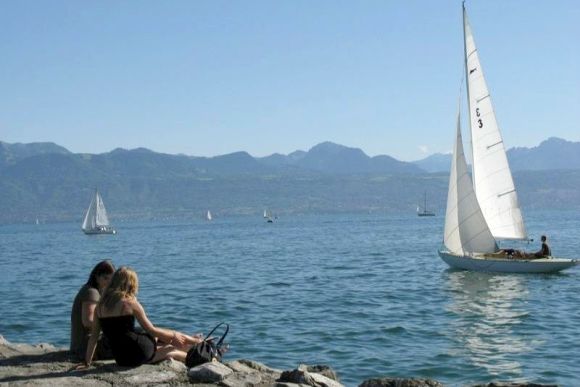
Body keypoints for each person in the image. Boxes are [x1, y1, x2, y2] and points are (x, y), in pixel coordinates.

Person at [84, 267, 203, 367]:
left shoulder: (99, 307)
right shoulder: (130, 303)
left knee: (162, 343)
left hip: (120, 357)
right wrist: (173, 335)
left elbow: (93, 337)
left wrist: (87, 362)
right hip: (139, 352)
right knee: (170, 349)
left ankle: (192, 343)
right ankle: (199, 352)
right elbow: (152, 330)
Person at [70, 260, 116, 361]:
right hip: (85, 347)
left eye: (111, 280)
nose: (108, 282)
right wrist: (111, 327)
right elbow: (87, 321)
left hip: (84, 345)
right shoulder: (91, 292)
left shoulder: (95, 290)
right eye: (105, 278)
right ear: (96, 276)